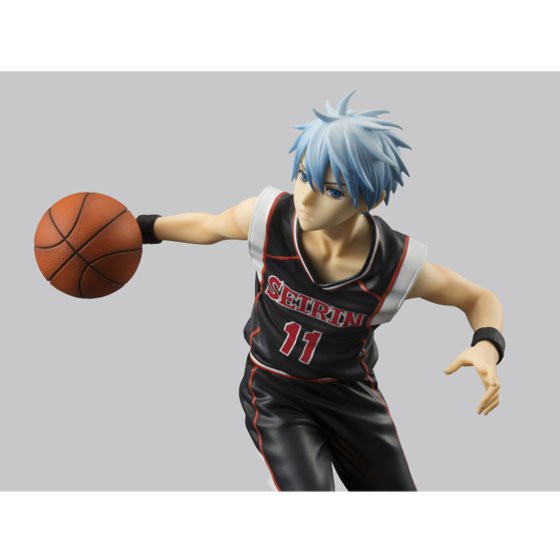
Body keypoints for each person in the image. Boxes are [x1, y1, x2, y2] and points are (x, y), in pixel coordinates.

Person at [136, 91, 505, 491]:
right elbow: (208, 227)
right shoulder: (267, 218)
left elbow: (478, 299)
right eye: (303, 175)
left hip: (350, 397)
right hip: (275, 390)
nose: (306, 198)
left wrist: (486, 346)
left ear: (372, 198)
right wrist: (139, 228)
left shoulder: (396, 264)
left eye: (332, 191)